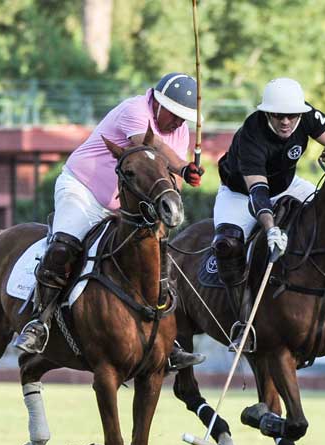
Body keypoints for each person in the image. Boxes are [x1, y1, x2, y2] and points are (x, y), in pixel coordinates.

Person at [14, 72, 206, 371]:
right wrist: (183, 167)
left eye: (186, 117)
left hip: (126, 209)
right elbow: (147, 147)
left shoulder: (179, 131)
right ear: (157, 103)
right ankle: (40, 322)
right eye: (176, 114)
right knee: (64, 247)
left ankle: (167, 340)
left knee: (159, 261)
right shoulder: (135, 110)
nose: (181, 122)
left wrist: (174, 192)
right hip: (83, 191)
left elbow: (166, 181)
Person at [212, 77, 325, 351]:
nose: (286, 122)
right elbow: (258, 193)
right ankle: (244, 323)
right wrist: (271, 230)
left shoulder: (307, 115)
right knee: (229, 245)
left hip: (287, 184)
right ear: (267, 113)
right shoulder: (251, 135)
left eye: (291, 116)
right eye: (279, 116)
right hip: (241, 193)